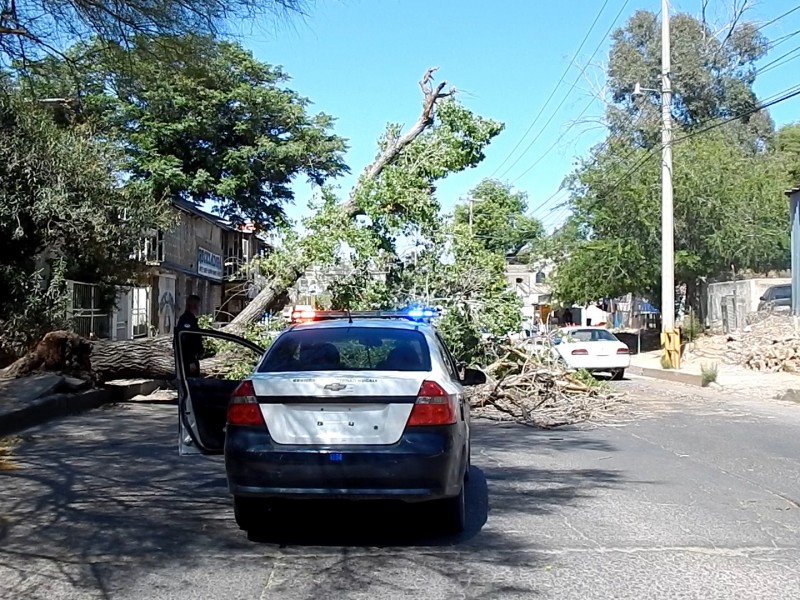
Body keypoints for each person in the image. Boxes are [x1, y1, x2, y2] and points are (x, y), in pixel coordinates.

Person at [175, 294, 203, 376]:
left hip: (191, 359)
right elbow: (185, 341)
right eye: (197, 305)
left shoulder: (191, 319)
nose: (198, 308)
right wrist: (190, 361)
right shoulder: (187, 320)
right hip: (187, 361)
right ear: (193, 305)